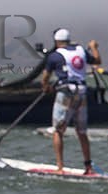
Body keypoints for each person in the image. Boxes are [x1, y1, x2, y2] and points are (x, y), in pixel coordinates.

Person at [42, 27, 100, 173]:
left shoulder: (54, 56)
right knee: (82, 132)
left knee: (58, 131)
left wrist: (46, 88)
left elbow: (45, 77)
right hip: (82, 93)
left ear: (56, 41)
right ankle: (88, 167)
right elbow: (97, 60)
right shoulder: (81, 50)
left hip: (66, 93)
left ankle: (60, 167)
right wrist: (93, 48)